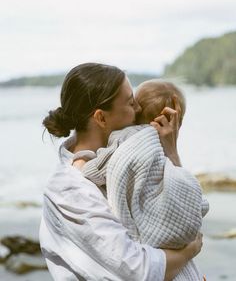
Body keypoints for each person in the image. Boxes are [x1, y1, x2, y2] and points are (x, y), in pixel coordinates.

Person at [39, 63, 203, 281]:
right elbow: (137, 271)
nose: (139, 110)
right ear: (101, 118)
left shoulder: (121, 159)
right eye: (131, 102)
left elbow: (185, 209)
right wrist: (188, 251)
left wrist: (170, 152)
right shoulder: (69, 190)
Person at [81, 79, 209, 280]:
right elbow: (197, 205)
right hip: (169, 258)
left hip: (150, 247)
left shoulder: (123, 141)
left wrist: (82, 162)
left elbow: (95, 170)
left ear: (136, 114)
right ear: (178, 122)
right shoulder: (164, 151)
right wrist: (173, 154)